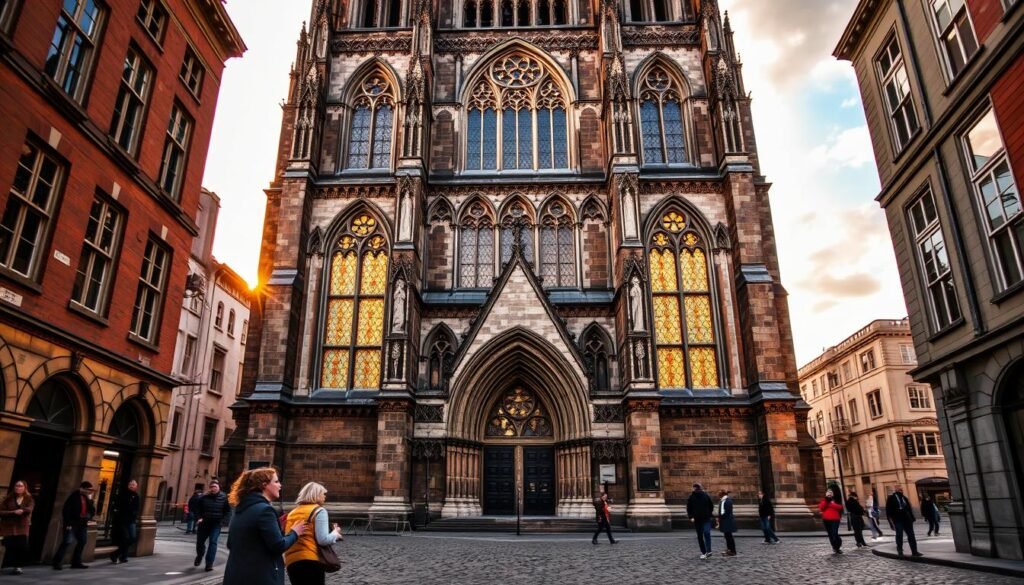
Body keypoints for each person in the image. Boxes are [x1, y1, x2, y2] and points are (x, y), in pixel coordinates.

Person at [222, 467, 307, 585]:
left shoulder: (240, 508)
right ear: (264, 485)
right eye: (276, 481)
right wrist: (295, 532)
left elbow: (231, 543)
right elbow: (278, 545)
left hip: (236, 574)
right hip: (260, 576)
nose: (280, 485)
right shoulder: (265, 510)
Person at [283, 482, 344, 585]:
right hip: (310, 559)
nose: (325, 497)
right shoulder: (319, 511)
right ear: (316, 494)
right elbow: (323, 540)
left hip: (291, 561)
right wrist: (335, 533)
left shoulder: (292, 512)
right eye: (323, 494)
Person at [52, 481, 95, 570]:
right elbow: (66, 510)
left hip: (82, 524)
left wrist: (90, 500)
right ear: (82, 488)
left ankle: (76, 562)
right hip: (72, 524)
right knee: (67, 541)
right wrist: (68, 523)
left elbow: (92, 510)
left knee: (82, 541)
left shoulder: (87, 498)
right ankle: (57, 562)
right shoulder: (73, 496)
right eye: (87, 490)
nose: (89, 492)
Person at [194, 479, 232, 571]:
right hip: (204, 523)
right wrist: (199, 518)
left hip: (216, 524)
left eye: (215, 487)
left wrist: (223, 522)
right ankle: (200, 555)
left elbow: (228, 511)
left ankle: (209, 563)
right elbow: (198, 509)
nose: (213, 488)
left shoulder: (224, 497)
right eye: (211, 487)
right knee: (200, 542)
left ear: (219, 487)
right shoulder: (203, 497)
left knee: (213, 542)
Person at [0, 480, 34, 575]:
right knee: (9, 546)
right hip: (8, 526)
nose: (18, 487)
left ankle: (18, 566)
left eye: (20, 486)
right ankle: (7, 564)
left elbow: (29, 508)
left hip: (22, 526)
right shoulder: (8, 498)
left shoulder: (28, 499)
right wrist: (13, 512)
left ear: (24, 488)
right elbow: (1, 511)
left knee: (22, 546)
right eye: (16, 486)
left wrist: (22, 510)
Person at [885, 485, 923, 558]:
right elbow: (888, 511)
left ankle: (914, 551)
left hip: (907, 519)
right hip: (897, 519)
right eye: (899, 489)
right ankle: (900, 550)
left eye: (901, 489)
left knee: (911, 535)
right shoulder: (891, 498)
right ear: (895, 490)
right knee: (899, 534)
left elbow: (909, 508)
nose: (901, 490)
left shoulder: (904, 498)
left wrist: (912, 518)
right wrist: (891, 523)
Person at [110, 479, 141, 564]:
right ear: (128, 485)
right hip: (122, 520)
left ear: (136, 487)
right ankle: (122, 556)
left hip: (131, 521)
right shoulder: (123, 494)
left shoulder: (136, 496)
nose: (132, 485)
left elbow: (136, 508)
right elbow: (117, 506)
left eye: (133, 484)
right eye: (130, 484)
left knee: (132, 538)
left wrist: (134, 514)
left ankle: (117, 554)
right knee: (126, 538)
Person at [686, 483, 714, 559]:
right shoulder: (691, 497)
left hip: (705, 518)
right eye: (694, 488)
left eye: (695, 488)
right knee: (700, 536)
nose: (694, 489)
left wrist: (709, 513)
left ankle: (708, 551)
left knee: (706, 533)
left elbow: (711, 505)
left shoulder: (705, 496)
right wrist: (691, 517)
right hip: (697, 519)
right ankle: (704, 552)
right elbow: (689, 508)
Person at [819, 488, 844, 554]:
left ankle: (838, 545)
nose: (829, 495)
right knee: (830, 534)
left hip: (835, 519)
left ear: (832, 495)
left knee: (834, 533)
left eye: (830, 494)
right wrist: (827, 502)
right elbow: (822, 508)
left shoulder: (835, 501)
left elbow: (840, 507)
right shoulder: (824, 501)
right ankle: (834, 547)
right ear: (826, 495)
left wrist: (830, 504)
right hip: (826, 520)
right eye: (828, 494)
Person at [715, 489, 737, 557]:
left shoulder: (727, 501)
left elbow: (725, 512)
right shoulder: (723, 501)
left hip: (727, 521)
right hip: (725, 521)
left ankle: (732, 551)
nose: (718, 497)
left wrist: (720, 518)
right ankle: (729, 549)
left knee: (729, 536)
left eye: (719, 495)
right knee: (727, 536)